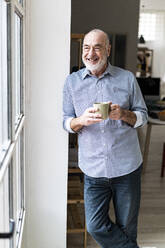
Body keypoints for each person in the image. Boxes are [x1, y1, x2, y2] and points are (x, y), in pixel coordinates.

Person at [63, 29, 148, 248]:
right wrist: (81, 120)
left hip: (127, 168)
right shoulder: (72, 83)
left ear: (108, 50)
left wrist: (124, 114)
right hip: (93, 170)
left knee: (127, 228)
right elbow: (65, 122)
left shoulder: (127, 78)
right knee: (95, 226)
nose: (91, 53)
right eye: (86, 47)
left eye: (97, 47)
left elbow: (143, 116)